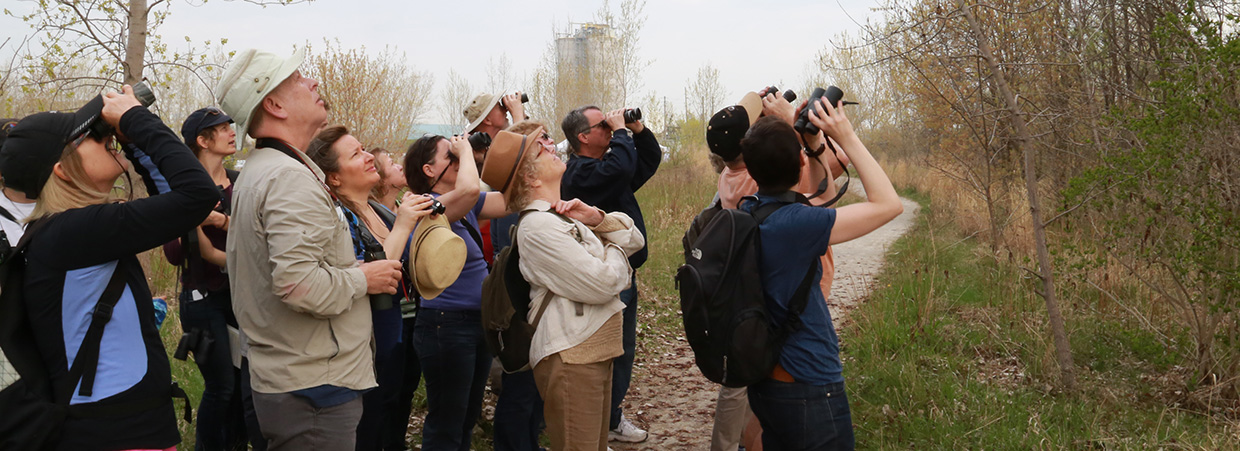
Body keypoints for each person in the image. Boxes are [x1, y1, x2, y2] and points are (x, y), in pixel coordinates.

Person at [3, 85, 218, 450]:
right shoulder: (72, 232)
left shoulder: (64, 231)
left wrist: (132, 142)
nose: (105, 138)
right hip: (117, 432)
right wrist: (136, 119)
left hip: (122, 424)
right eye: (88, 137)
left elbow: (176, 205)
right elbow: (198, 195)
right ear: (63, 172)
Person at [219, 48, 403, 451]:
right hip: (314, 388)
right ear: (274, 104)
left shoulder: (269, 169)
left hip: (303, 380)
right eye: (299, 78)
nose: (313, 82)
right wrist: (363, 278)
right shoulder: (288, 179)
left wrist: (343, 270)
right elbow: (297, 285)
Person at [740, 99, 902, 450]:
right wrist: (845, 134)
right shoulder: (795, 225)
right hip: (808, 381)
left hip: (768, 379)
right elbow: (889, 204)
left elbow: (822, 196)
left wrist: (812, 146)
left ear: (751, 173)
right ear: (798, 164)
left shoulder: (751, 210)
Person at [481, 127, 644, 451]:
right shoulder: (538, 227)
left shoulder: (561, 216)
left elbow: (635, 240)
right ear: (529, 179)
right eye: (540, 150)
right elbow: (605, 282)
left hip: (591, 350)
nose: (550, 145)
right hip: (572, 357)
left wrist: (597, 218)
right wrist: (614, 250)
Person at [705, 91, 850, 451]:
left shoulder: (731, 176)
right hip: (796, 293)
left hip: (760, 294)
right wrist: (795, 124)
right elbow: (835, 165)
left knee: (753, 385)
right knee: (776, 367)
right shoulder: (761, 182)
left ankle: (738, 443)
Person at [305, 126, 436, 451]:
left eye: (364, 149)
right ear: (334, 178)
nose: (369, 158)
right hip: (365, 343)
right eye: (356, 154)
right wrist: (405, 224)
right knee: (369, 425)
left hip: (399, 331)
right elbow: (366, 277)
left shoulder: (379, 210)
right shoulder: (338, 218)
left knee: (394, 413)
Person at [559, 105, 661, 443]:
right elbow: (620, 168)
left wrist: (638, 130)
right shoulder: (578, 174)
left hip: (625, 274)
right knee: (606, 354)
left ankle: (612, 418)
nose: (609, 127)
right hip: (603, 280)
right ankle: (597, 427)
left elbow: (646, 161)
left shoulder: (607, 167)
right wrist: (620, 134)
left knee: (625, 350)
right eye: (602, 125)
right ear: (583, 137)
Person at [402, 133, 509, 450]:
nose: (460, 158)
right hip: (445, 326)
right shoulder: (425, 207)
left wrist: (502, 153)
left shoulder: (466, 202)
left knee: (465, 417)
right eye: (450, 155)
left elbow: (509, 199)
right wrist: (465, 151)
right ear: (429, 170)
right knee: (447, 422)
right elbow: (470, 188)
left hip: (477, 323)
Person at [160, 107, 250, 451]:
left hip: (244, 297)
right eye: (222, 128)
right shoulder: (183, 188)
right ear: (202, 140)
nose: (231, 132)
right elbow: (172, 254)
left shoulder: (241, 182)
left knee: (245, 385)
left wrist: (224, 223)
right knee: (221, 387)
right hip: (202, 299)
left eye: (231, 126)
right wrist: (193, 219)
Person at [488, 120, 550, 451]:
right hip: (521, 309)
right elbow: (510, 259)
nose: (551, 147)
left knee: (533, 393)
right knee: (521, 390)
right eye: (542, 144)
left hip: (534, 309)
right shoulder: (518, 205)